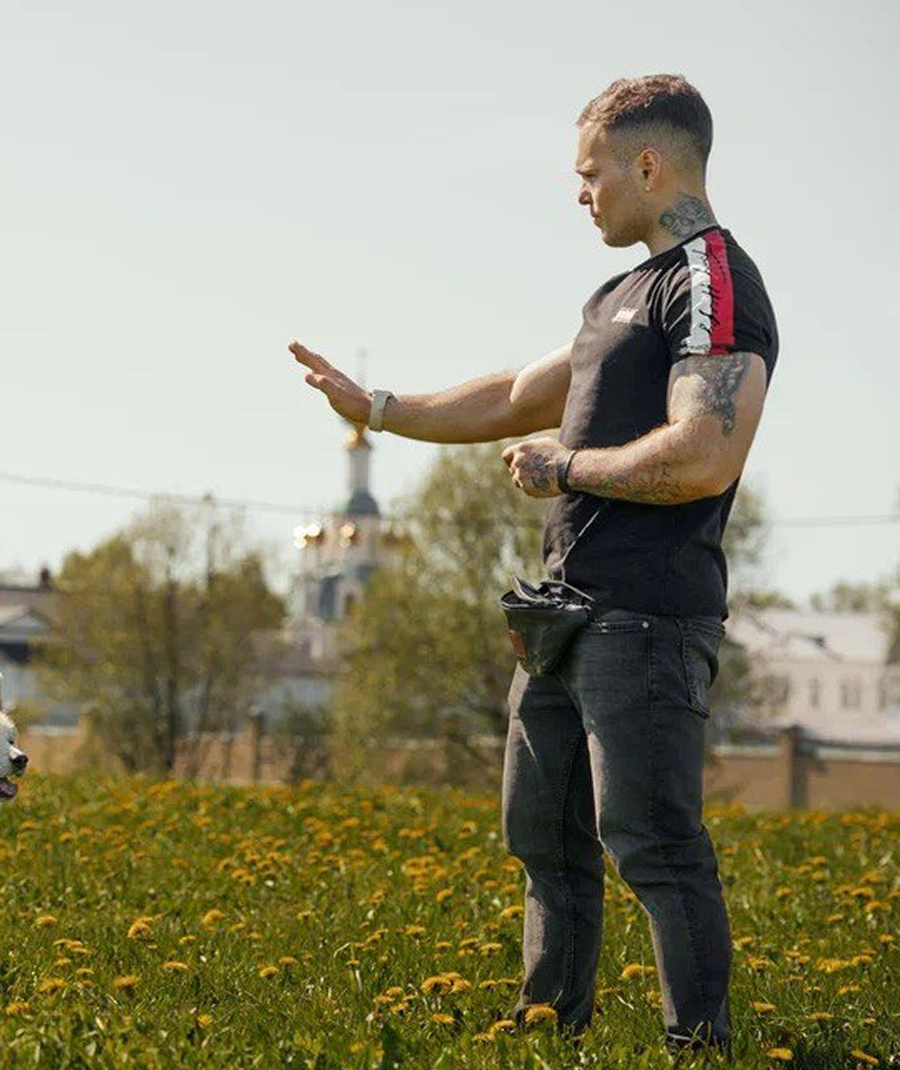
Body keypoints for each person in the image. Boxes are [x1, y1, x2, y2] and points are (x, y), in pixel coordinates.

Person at [290, 74, 777, 1049]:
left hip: (643, 616)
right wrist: (377, 408)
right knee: (543, 839)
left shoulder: (708, 280)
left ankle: (699, 1046)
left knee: (651, 844)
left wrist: (566, 466)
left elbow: (702, 452)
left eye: (589, 172)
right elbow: (517, 392)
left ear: (648, 163)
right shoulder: (616, 295)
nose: (579, 192)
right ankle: (548, 1028)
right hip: (560, 614)